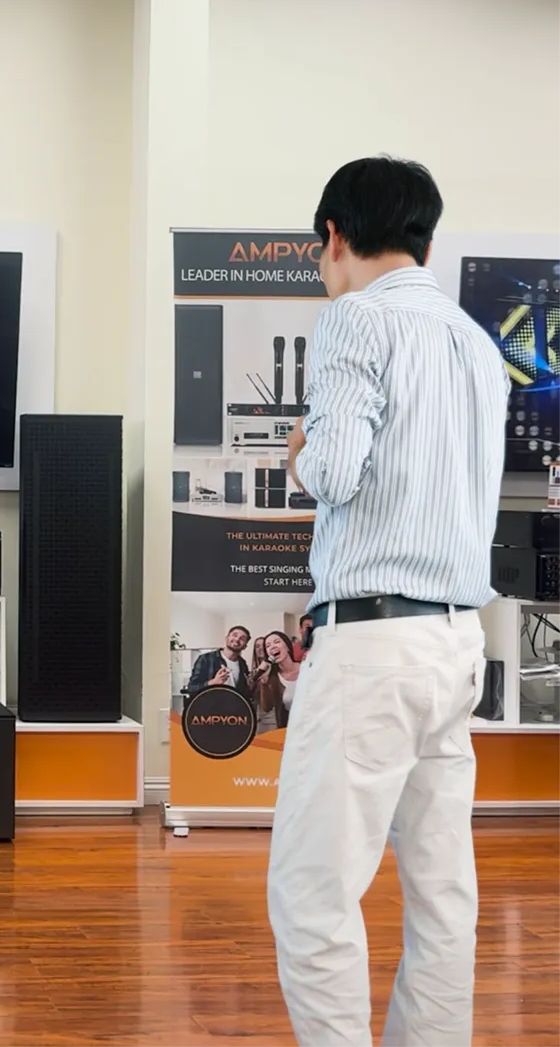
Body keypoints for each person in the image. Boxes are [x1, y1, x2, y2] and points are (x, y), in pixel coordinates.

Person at [267, 157, 508, 1047]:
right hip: (456, 645)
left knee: (311, 893)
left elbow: (333, 472)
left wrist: (299, 447)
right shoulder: (477, 344)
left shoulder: (355, 318)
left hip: (372, 647)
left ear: (334, 236)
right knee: (443, 894)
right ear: (426, 243)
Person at [249, 631, 298, 734]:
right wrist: (264, 683)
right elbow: (267, 707)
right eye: (268, 646)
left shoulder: (307, 668)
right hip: (290, 731)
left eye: (277, 642)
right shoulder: (273, 678)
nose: (272, 646)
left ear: (288, 647)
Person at [184, 625, 251, 698]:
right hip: (210, 705)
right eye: (235, 635)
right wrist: (213, 682)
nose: (237, 639)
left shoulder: (243, 664)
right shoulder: (206, 659)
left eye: (242, 639)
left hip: (234, 705)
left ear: (245, 646)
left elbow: (244, 693)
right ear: (227, 638)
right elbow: (191, 689)